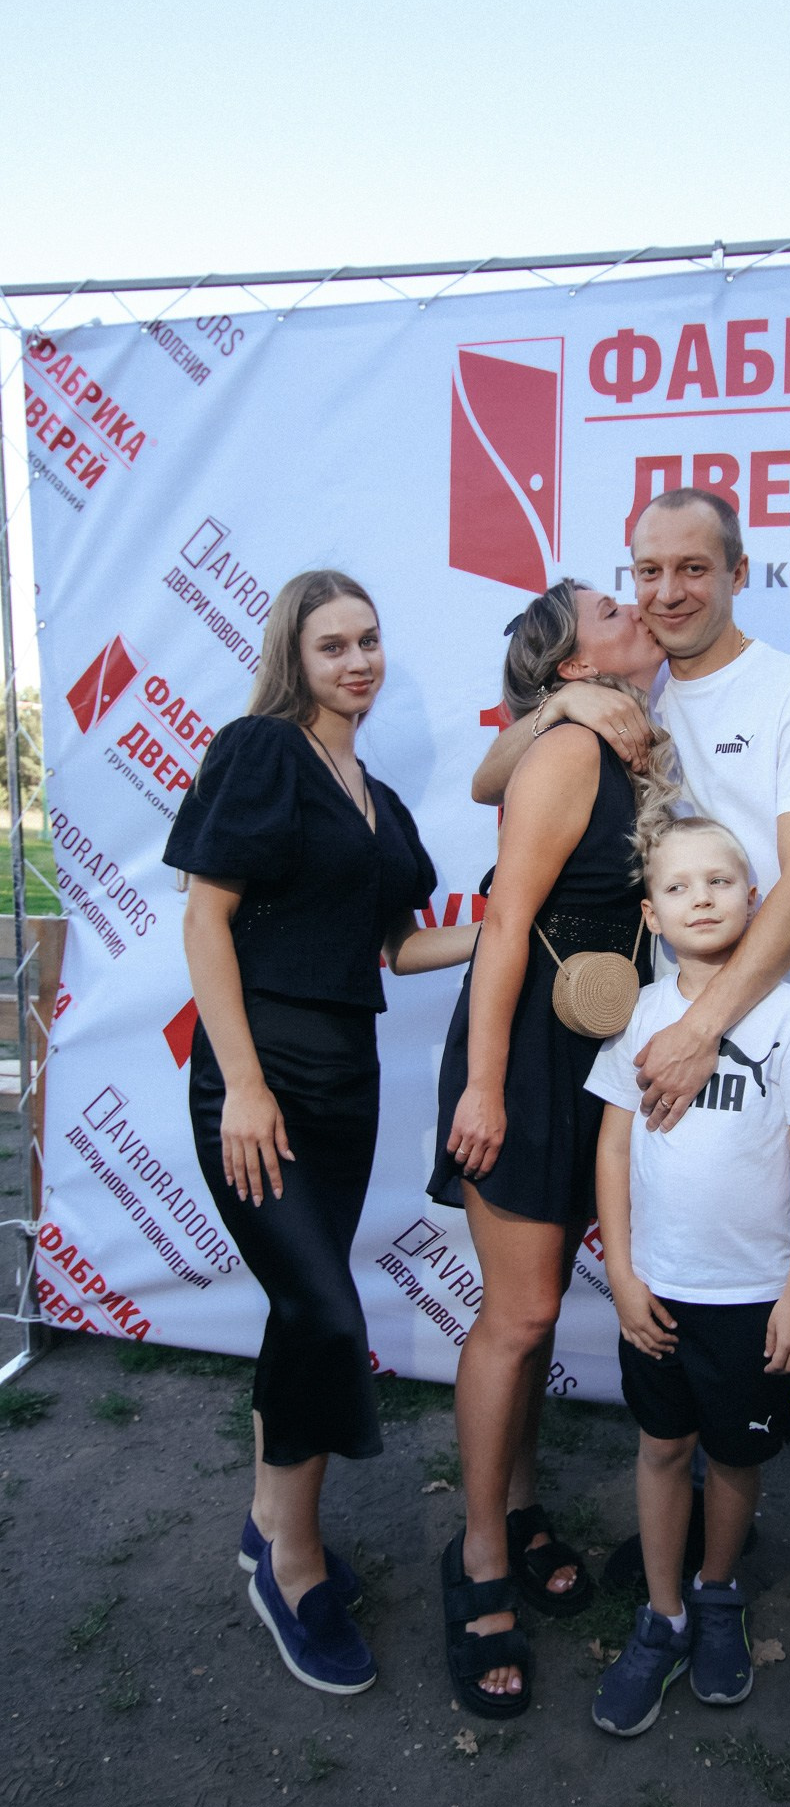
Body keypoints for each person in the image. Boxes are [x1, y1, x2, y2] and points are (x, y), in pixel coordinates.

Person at [473, 490, 790, 1802]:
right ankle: (683, 1574)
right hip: (644, 1064)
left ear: (736, 570)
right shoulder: (631, 691)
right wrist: (563, 703)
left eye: (691, 567)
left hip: (752, 1061)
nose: (665, 591)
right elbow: (491, 778)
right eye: (646, 570)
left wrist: (702, 1029)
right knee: (664, 1333)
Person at [164, 569, 475, 1697]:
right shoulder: (262, 751)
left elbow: (398, 946)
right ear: (294, 657)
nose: (357, 661)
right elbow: (206, 918)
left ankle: (268, 1527)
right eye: (332, 644)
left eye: (369, 640)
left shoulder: (377, 799)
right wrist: (245, 1084)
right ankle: (288, 1560)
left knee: (303, 1312)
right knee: (326, 1312)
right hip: (261, 1078)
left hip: (348, 1082)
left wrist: (508, 928)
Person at [426, 578, 673, 1718]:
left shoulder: (626, 738)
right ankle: (478, 1555)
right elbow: (504, 924)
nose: (639, 608)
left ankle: (520, 1507)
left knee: (534, 1314)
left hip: (594, 1057)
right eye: (613, 610)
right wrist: (484, 1086)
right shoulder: (570, 749)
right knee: (519, 1317)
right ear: (574, 666)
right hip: (525, 1055)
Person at [587, 815, 790, 1734]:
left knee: (735, 1457)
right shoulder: (639, 1015)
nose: (700, 898)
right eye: (677, 886)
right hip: (657, 1295)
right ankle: (661, 1616)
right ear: (650, 915)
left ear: (754, 898)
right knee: (662, 1448)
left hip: (753, 1300)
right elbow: (612, 1148)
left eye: (719, 881)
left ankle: (716, 1592)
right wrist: (621, 1274)